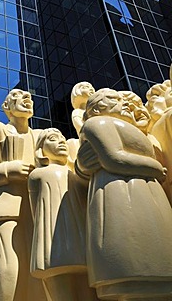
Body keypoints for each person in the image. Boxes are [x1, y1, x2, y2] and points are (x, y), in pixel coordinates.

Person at [76, 88, 172, 301]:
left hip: (146, 193)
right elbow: (114, 158)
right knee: (132, 269)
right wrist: (155, 168)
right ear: (98, 108)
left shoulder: (131, 127)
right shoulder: (97, 124)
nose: (123, 102)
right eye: (114, 99)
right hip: (120, 191)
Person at [0, 89, 46, 301]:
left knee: (38, 277)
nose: (27, 99)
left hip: (37, 210)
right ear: (6, 107)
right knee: (10, 275)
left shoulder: (41, 135)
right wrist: (8, 170)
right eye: (18, 96)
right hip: (6, 211)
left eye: (30, 97)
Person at [28, 128, 97, 301]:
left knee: (88, 292)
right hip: (53, 244)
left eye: (62, 138)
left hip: (81, 242)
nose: (60, 141)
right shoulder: (37, 175)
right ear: (40, 150)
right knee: (62, 293)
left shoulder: (74, 174)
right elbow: (36, 214)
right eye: (52, 138)